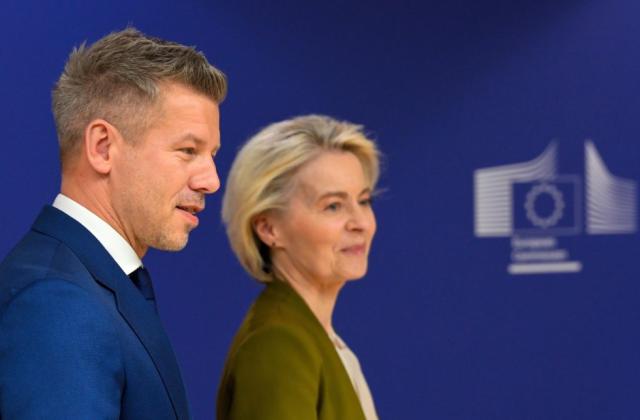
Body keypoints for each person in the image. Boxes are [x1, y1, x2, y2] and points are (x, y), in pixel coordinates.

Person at [0, 28, 226, 419]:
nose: (212, 180)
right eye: (188, 150)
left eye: (212, 154)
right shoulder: (58, 303)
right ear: (103, 147)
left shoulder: (85, 282)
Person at [217, 115, 380, 420]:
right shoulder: (278, 345)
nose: (360, 223)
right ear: (268, 228)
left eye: (364, 201)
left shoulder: (312, 337)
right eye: (333, 206)